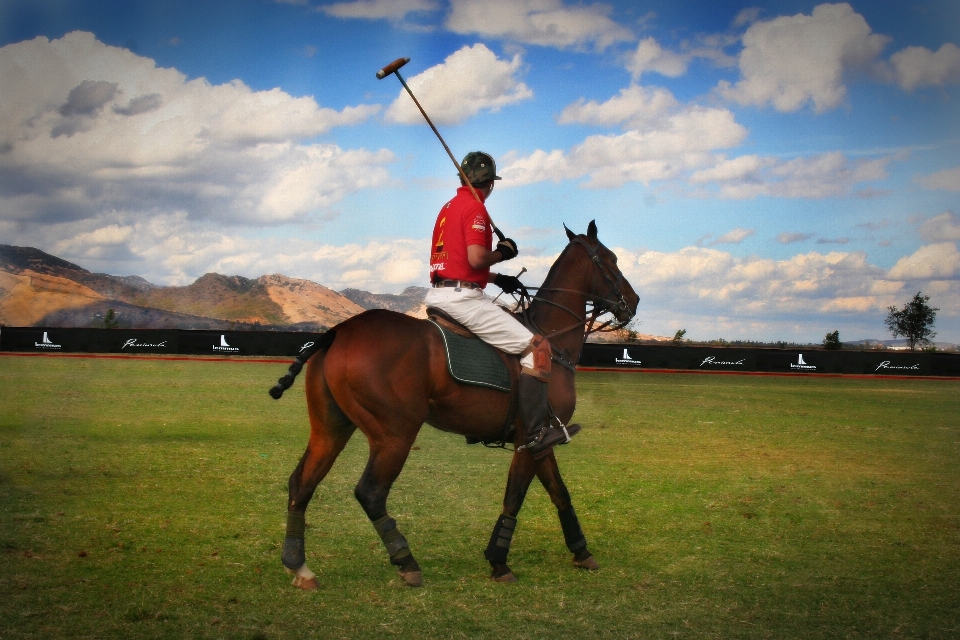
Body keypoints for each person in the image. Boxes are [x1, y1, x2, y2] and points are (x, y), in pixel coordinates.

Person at [425, 151, 579, 459]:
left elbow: (460, 263)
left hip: (441, 293)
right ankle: (534, 432)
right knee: (537, 348)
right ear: (490, 184)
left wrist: (496, 278)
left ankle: (476, 419)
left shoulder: (447, 208)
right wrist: (502, 252)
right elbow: (476, 259)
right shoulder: (475, 209)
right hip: (463, 300)